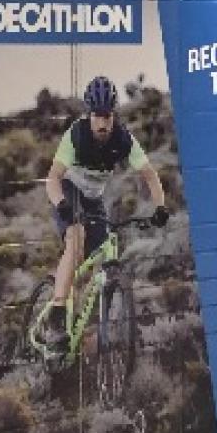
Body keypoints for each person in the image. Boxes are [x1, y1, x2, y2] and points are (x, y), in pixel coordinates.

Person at [43, 77, 170, 345]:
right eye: (97, 116)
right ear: (89, 114)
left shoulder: (124, 139)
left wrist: (160, 206)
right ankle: (56, 314)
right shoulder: (76, 135)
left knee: (101, 254)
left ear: (114, 114)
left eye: (107, 116)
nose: (102, 123)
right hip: (68, 190)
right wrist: (61, 204)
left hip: (93, 199)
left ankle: (92, 317)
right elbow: (52, 178)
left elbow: (150, 175)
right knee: (76, 240)